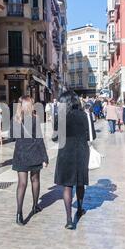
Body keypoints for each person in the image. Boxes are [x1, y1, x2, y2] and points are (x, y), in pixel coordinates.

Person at [54, 91, 95, 230]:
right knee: (80, 182)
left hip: (66, 152)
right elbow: (91, 136)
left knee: (67, 186)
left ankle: (69, 220)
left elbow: (55, 136)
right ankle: (80, 208)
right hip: (82, 152)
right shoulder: (85, 115)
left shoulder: (61, 116)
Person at [12, 96, 49, 226]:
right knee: (35, 180)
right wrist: (45, 157)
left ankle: (19, 213)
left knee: (21, 184)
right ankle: (34, 206)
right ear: (29, 105)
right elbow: (39, 139)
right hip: (34, 154)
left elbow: (12, 136)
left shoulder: (15, 119)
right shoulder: (34, 119)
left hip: (20, 154)